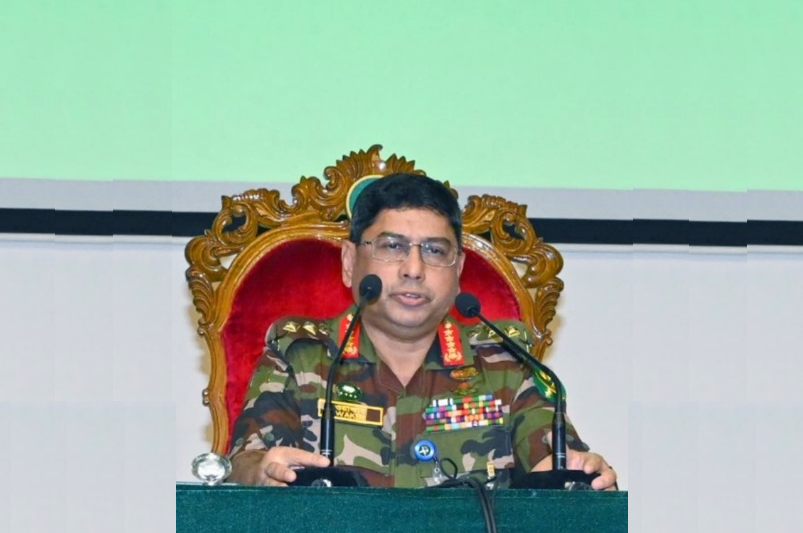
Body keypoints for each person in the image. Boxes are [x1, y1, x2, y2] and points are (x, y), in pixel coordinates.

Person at [227, 173, 617, 489]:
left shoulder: (507, 365)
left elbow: (558, 464)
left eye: (434, 250)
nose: (413, 269)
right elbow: (245, 463)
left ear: (458, 270)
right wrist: (259, 472)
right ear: (349, 262)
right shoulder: (300, 357)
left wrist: (577, 477)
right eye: (392, 246)